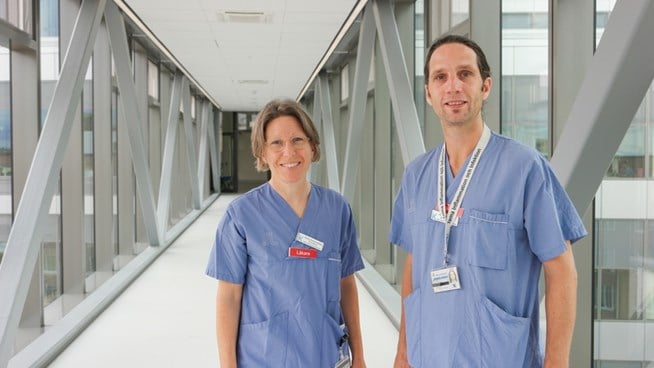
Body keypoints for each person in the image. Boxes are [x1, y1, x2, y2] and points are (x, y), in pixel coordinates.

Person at [390, 35, 587, 367]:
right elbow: (415, 264)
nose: (453, 86)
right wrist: (404, 353)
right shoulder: (416, 176)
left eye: (465, 74)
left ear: (485, 86)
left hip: (499, 357)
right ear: (428, 94)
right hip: (429, 356)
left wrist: (556, 361)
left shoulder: (525, 168)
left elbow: (562, 270)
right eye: (440, 77)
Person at [206, 98, 367, 368]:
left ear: (312, 146)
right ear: (262, 153)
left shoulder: (337, 210)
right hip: (263, 357)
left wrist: (359, 356)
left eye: (297, 140)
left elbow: (346, 284)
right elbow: (229, 297)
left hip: (324, 355)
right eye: (276, 143)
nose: (289, 152)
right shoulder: (241, 216)